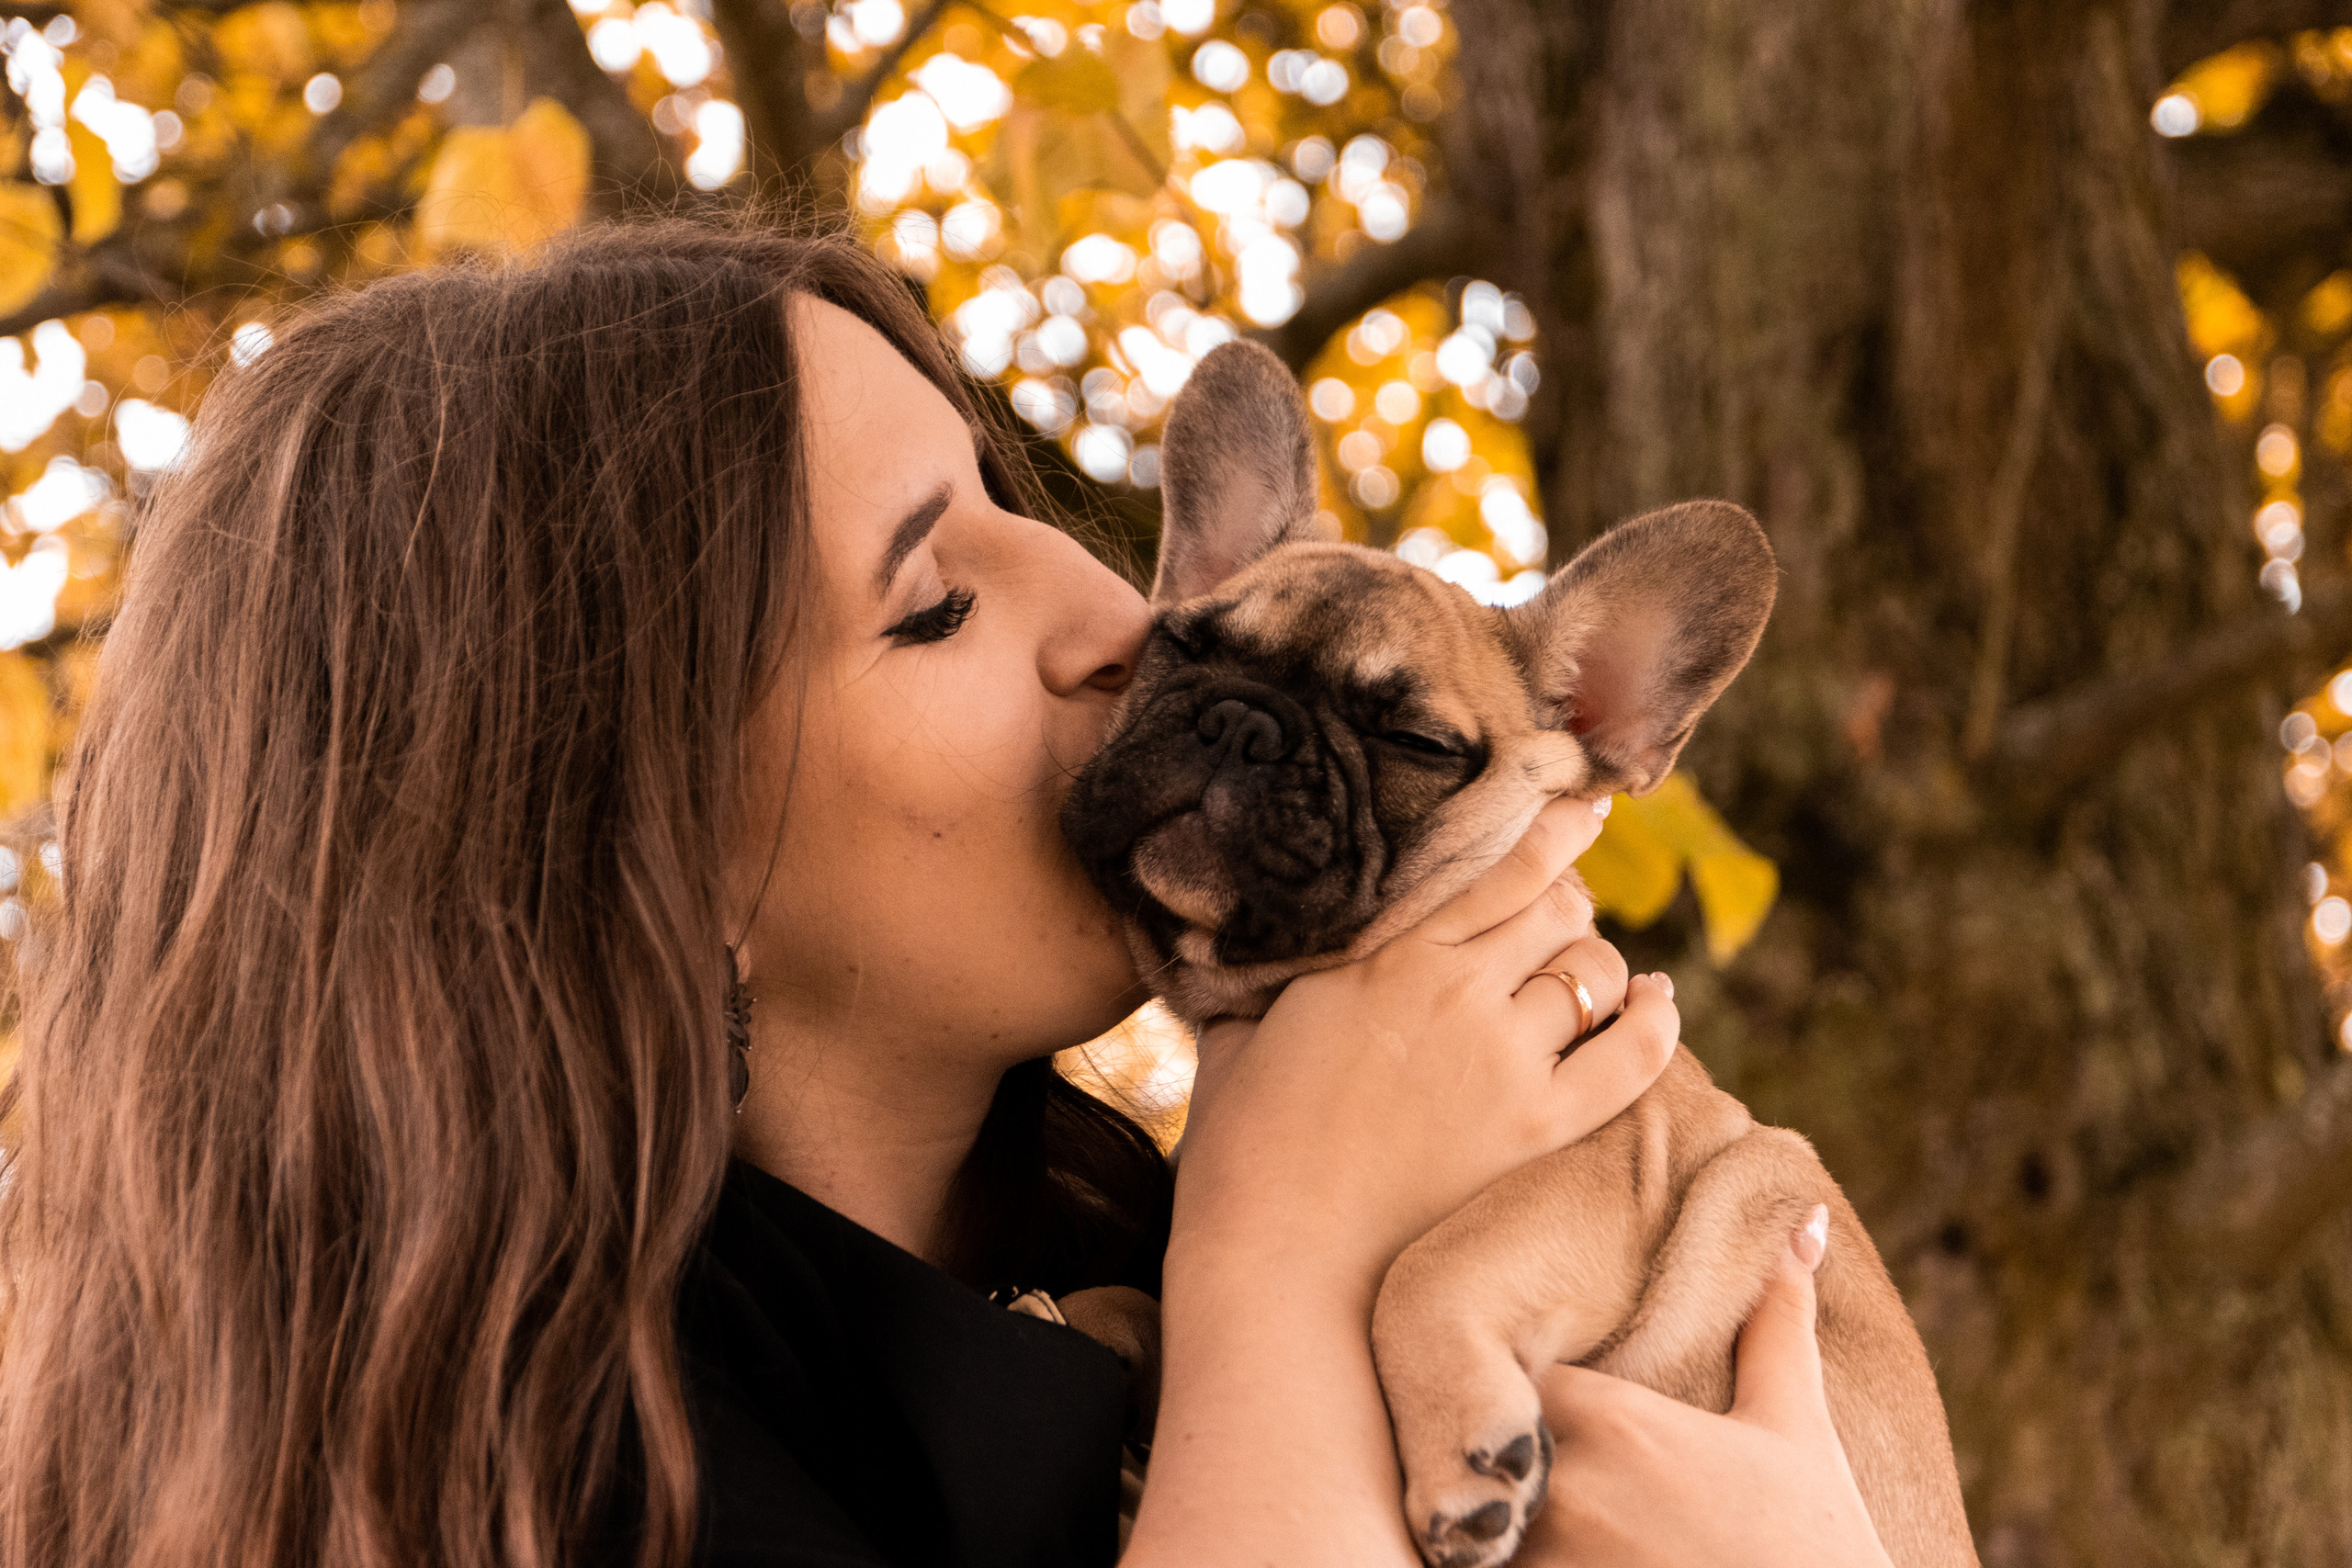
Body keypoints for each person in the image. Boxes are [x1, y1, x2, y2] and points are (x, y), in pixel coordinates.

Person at [0, 219, 1894, 1568]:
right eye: (933, 600)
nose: (1108, 616)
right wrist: (1285, 1265)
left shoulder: (1085, 1265)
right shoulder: (578, 1475)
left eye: (1030, 509)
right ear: (634, 842)